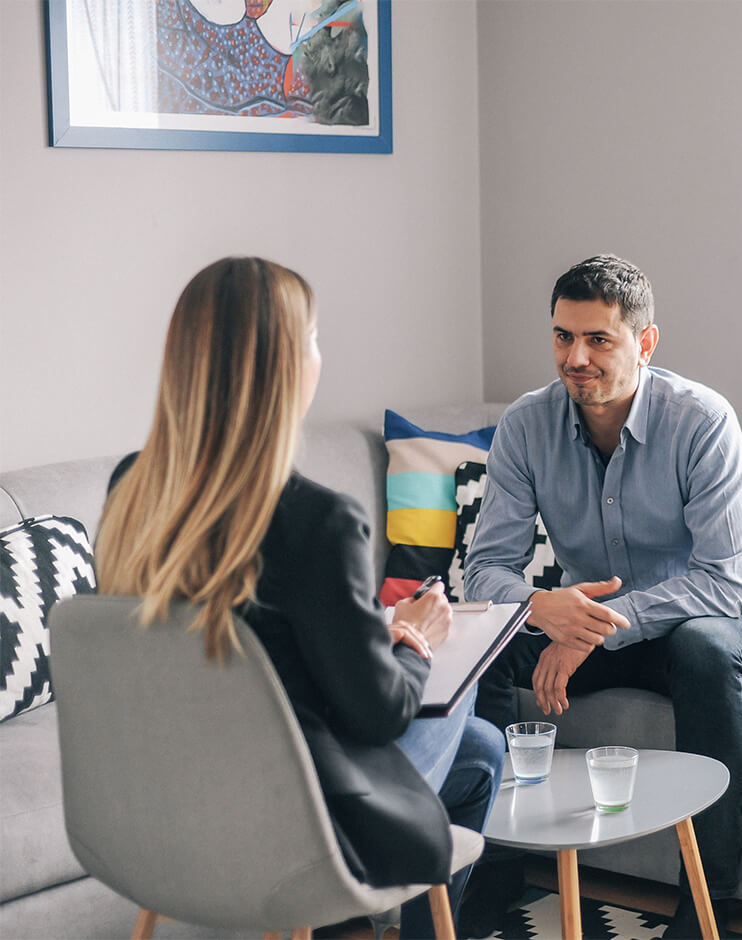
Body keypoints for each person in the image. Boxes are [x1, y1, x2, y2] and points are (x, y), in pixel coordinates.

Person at [95, 256, 504, 940]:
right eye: (313, 338)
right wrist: (415, 643)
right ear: (286, 366)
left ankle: (347, 928)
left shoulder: (130, 490)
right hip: (295, 826)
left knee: (486, 746)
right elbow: (377, 715)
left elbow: (248, 646)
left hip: (164, 813)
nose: (321, 355)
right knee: (472, 717)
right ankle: (357, 921)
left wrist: (368, 628)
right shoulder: (316, 522)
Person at [464, 254, 742, 938]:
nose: (576, 357)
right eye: (562, 336)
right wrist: (542, 611)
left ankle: (707, 900)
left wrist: (588, 630)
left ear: (645, 343)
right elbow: (486, 572)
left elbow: (723, 580)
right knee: (481, 647)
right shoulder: (526, 425)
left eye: (598, 339)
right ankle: (487, 868)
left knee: (705, 651)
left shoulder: (702, 421)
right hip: (581, 621)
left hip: (703, 622)